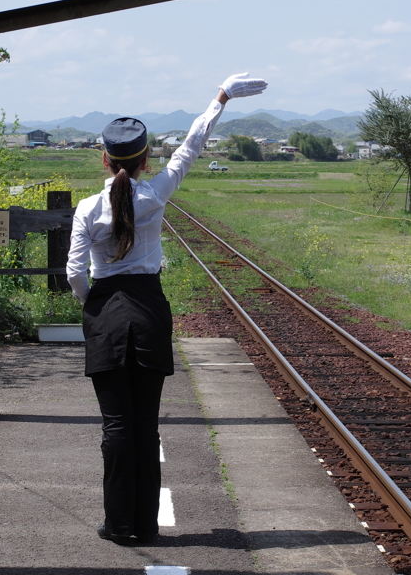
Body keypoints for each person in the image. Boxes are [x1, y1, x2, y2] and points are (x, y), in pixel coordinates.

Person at [66, 72, 268, 544]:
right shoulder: (154, 194)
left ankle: (119, 524)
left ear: (103, 157)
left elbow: (75, 273)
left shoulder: (86, 208)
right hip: (150, 311)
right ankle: (146, 525)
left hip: (106, 315)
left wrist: (93, 305)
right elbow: (192, 146)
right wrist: (220, 97)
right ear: (144, 160)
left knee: (116, 425)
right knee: (145, 423)